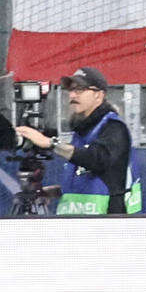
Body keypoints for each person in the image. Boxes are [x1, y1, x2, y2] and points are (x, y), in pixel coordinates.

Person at [13, 68, 137, 214]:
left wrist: (50, 143)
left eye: (79, 90)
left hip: (105, 225)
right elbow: (88, 178)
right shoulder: (82, 130)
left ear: (99, 95)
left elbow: (96, 160)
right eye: (70, 91)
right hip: (76, 226)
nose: (72, 95)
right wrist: (54, 192)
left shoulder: (114, 128)